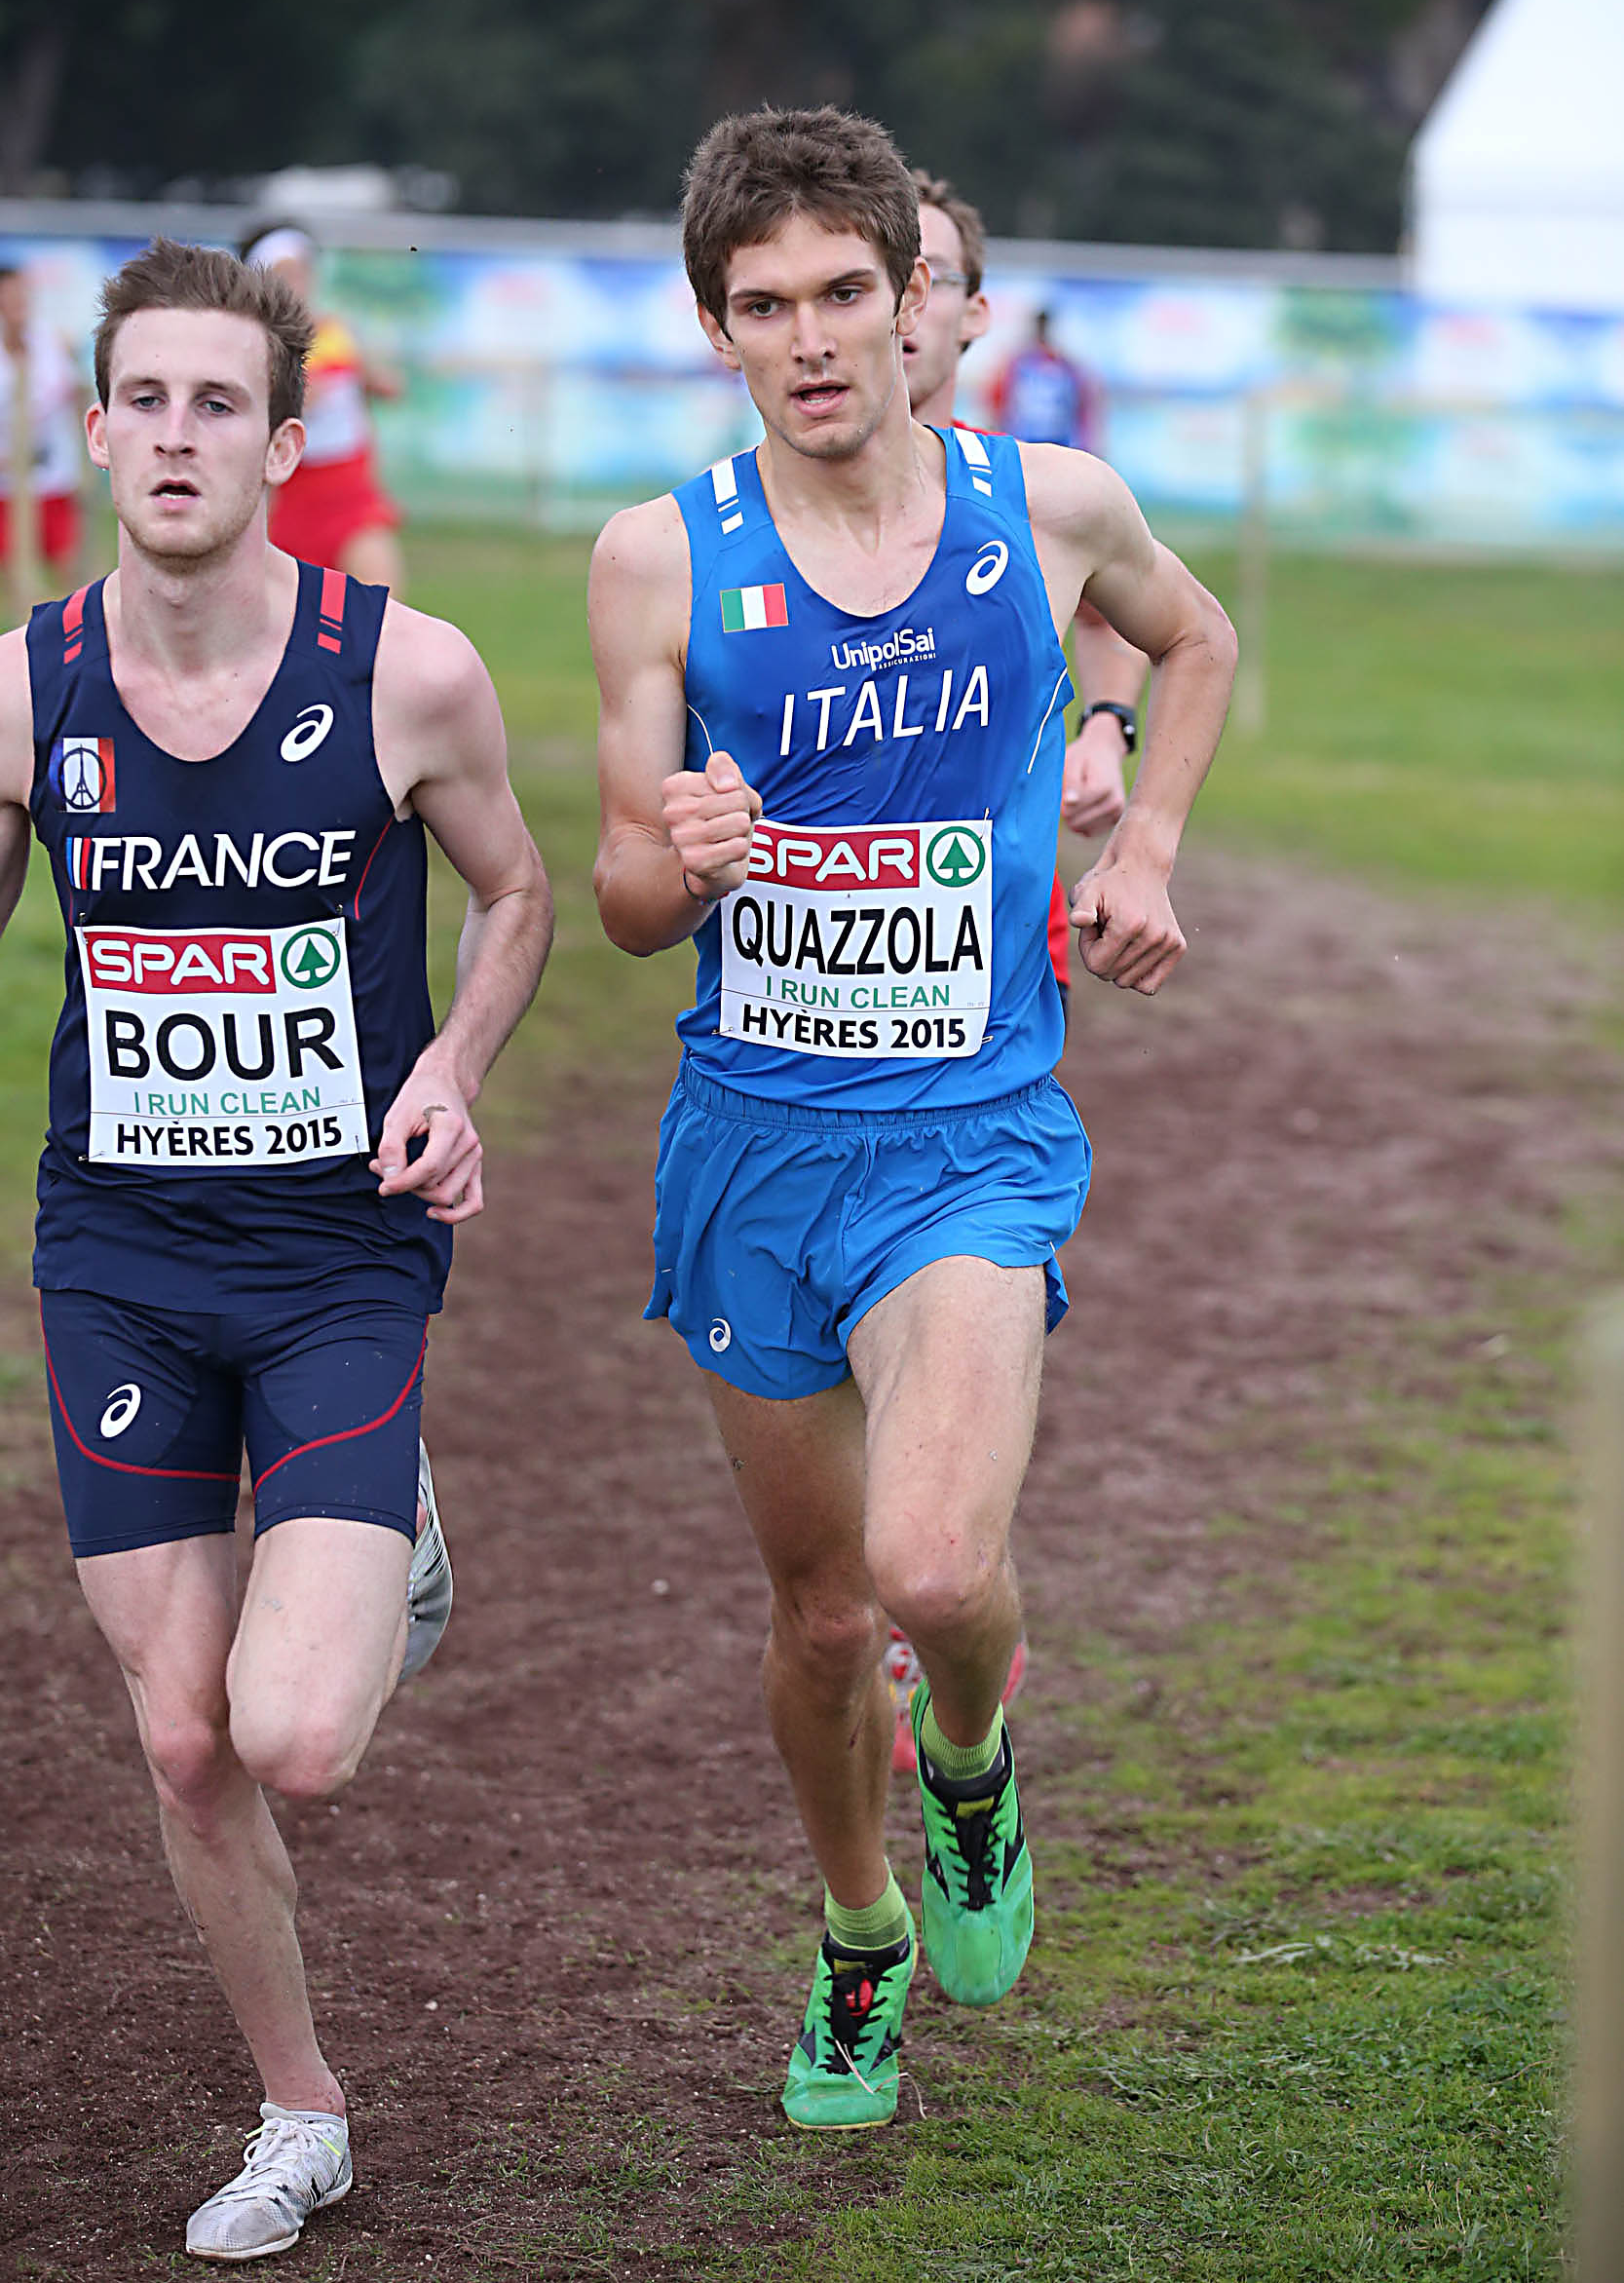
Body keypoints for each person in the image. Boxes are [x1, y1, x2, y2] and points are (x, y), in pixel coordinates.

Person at [589, 107, 1235, 2130]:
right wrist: (679, 856)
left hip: (967, 1133)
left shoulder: (1045, 507)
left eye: (840, 293)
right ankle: (856, 1932)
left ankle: (967, 1761)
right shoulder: (655, 556)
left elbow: (1194, 633)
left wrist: (1146, 848)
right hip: (750, 1147)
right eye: (760, 305)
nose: (806, 338)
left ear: (911, 298)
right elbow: (621, 894)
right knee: (816, 1611)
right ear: (714, 327)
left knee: (935, 1570)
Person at [0, 239, 552, 2260]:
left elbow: (514, 891)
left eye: (216, 403)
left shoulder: (406, 671)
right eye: (144, 399)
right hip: (118, 1252)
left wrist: (456, 1070)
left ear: (283, 442)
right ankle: (297, 2109)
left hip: (336, 1254)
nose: (177, 435)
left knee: (293, 1736)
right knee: (182, 1736)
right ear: (95, 430)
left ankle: (388, 1522)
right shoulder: (28, 682)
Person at [880, 169, 1152, 1773]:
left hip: (989, 950)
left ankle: (947, 1537)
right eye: (876, 273)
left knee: (960, 1219)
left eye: (924, 276)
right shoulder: (742, 512)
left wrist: (1103, 731)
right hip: (796, 1027)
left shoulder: (1031, 491)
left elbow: (1124, 614)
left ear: (969, 312)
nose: (897, 305)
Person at [240, 223, 405, 591]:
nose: (297, 283)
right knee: (295, 611)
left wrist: (376, 381)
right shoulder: (256, 344)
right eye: (285, 274)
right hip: (293, 494)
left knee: (381, 605)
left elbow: (373, 384)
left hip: (352, 486)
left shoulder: (336, 330)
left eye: (302, 272)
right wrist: (295, 399)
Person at [0, 260, 86, 612]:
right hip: (7, 483)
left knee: (66, 563)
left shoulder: (50, 342)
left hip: (53, 475)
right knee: (15, 570)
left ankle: (66, 624)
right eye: (10, 296)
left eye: (22, 294)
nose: (18, 302)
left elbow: (72, 394)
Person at [989, 304, 1100, 452]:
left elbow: (1084, 402)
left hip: (1056, 439)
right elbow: (997, 400)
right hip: (1026, 439)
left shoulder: (1064, 365)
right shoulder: (1018, 363)